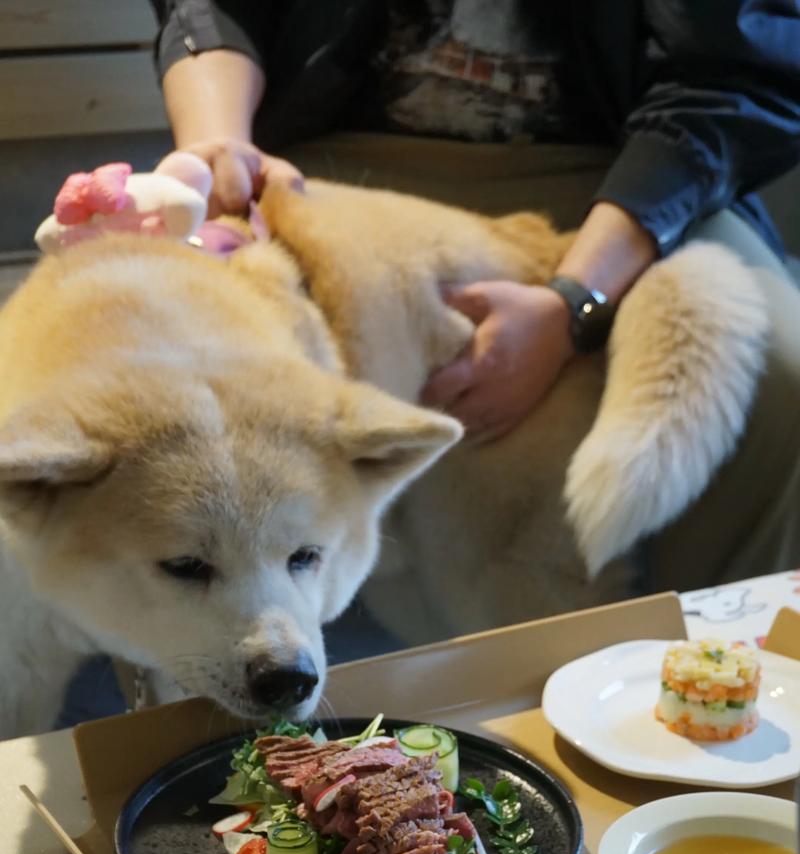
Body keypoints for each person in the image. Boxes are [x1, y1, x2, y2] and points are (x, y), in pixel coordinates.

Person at [150, 0, 800, 592]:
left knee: (780, 377)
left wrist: (574, 304)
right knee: (196, 367)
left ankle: (707, 677)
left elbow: (733, 71)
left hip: (630, 167)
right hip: (328, 162)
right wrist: (219, 149)